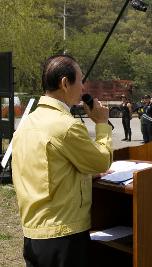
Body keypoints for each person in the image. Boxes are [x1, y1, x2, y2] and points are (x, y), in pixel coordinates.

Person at [12, 54, 113, 267]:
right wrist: (102, 123)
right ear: (65, 83)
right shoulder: (66, 125)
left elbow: (44, 168)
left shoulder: (28, 123)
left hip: (34, 233)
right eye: (81, 80)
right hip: (64, 234)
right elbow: (102, 161)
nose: (83, 87)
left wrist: (85, 176)